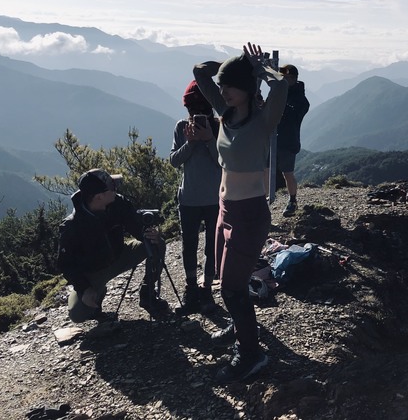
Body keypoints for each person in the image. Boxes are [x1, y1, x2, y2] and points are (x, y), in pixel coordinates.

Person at [193, 42, 288, 384]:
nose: (224, 91)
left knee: (232, 288)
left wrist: (258, 70)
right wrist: (237, 65)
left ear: (248, 89)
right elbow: (199, 72)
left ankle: (252, 354)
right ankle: (240, 326)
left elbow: (280, 85)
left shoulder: (264, 120)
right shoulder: (224, 112)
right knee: (224, 280)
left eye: (231, 86)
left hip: (249, 214)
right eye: (223, 86)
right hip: (224, 209)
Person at [58, 168, 170, 322]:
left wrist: (150, 234)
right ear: (99, 197)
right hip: (94, 272)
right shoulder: (72, 226)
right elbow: (66, 264)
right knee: (78, 315)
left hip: (119, 255)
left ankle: (147, 293)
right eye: (112, 188)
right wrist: (84, 289)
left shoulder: (118, 204)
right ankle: (96, 297)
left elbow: (137, 228)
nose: (116, 191)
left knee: (157, 244)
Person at [170, 80, 221, 315]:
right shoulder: (182, 128)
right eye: (192, 111)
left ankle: (207, 287)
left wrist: (210, 140)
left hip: (213, 198)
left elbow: (225, 163)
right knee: (188, 245)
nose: (195, 115)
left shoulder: (221, 127)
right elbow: (174, 161)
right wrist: (190, 143)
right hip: (189, 198)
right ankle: (192, 288)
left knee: (212, 245)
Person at [276, 64, 310, 216]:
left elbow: (292, 114)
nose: (285, 80)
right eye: (283, 77)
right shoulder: (279, 93)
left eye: (288, 78)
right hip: (272, 138)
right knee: (265, 170)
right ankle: (262, 201)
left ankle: (292, 200)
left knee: (287, 172)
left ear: (295, 79)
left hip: (287, 141)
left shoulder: (301, 100)